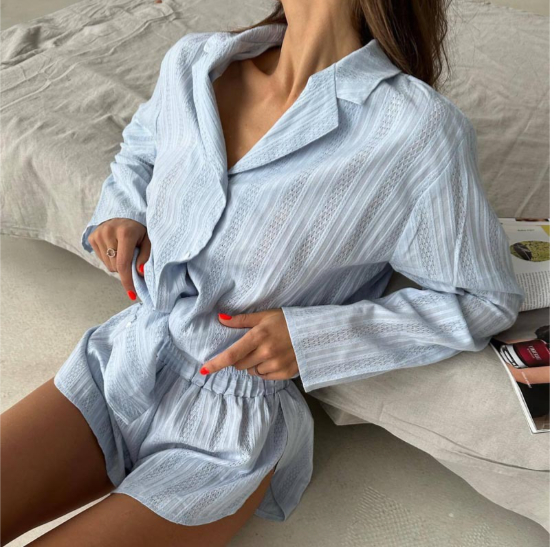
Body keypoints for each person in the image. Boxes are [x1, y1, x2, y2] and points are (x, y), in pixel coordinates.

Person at [1, 0, 525, 545]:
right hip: (123, 359)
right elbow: (142, 147)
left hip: (228, 432)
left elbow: (482, 296)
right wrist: (123, 207)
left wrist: (314, 338)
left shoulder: (417, 132)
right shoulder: (196, 63)